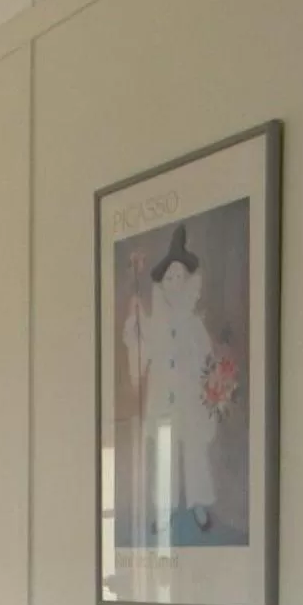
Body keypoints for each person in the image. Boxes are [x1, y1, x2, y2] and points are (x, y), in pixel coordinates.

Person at [125, 224, 228, 537]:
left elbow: (207, 359)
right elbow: (142, 348)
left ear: (188, 282)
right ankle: (165, 509)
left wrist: (213, 385)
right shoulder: (155, 322)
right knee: (165, 456)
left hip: (189, 400)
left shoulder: (195, 324)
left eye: (179, 276)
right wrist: (135, 323)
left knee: (194, 451)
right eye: (168, 277)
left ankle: (198, 502)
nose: (173, 281)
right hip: (163, 402)